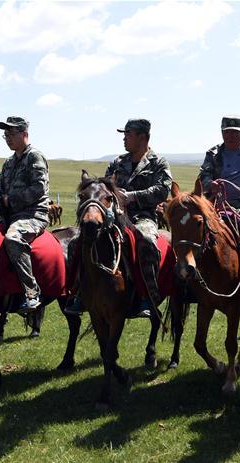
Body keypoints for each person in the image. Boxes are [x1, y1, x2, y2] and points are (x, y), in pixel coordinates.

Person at [64, 119, 173, 318]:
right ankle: (79, 292)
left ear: (142, 137)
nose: (124, 139)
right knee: (75, 243)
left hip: (142, 217)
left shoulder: (158, 163)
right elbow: (104, 188)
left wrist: (132, 196)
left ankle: (146, 296)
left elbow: (162, 190)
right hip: (113, 216)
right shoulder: (117, 163)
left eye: (128, 134)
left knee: (147, 242)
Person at [0, 116, 50, 315]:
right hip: (9, 214)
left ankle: (31, 293)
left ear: (24, 134)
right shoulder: (8, 163)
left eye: (11, 134)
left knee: (13, 239)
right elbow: (0, 192)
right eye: (5, 135)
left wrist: (11, 200)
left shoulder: (35, 157)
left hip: (33, 214)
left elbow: (38, 189)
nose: (8, 138)